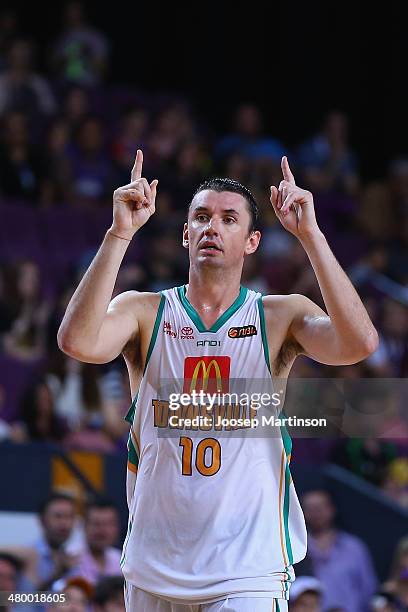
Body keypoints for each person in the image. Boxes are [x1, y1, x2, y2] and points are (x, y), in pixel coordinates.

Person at [58, 149, 379, 611]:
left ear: (251, 242)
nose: (212, 227)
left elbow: (359, 344)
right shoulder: (144, 312)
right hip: (154, 566)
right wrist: (118, 234)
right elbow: (76, 342)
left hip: (246, 570)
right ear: (185, 233)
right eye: (202, 217)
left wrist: (310, 236)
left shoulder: (278, 316)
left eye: (229, 219)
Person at [301, 489, 378, 612]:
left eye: (320, 508)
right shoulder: (297, 549)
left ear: (332, 509)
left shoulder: (354, 547)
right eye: (311, 509)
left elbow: (368, 589)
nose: (316, 513)